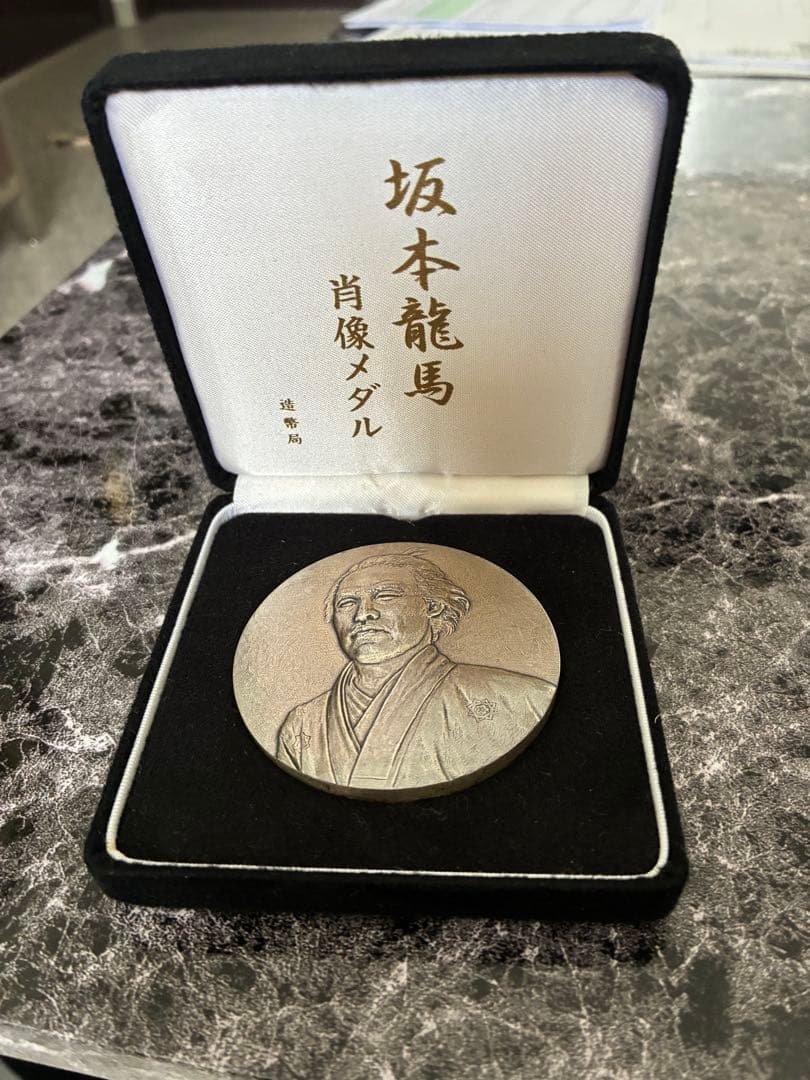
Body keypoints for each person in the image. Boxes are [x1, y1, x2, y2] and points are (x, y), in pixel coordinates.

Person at [276, 551, 556, 795]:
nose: (362, 614)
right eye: (346, 603)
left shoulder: (520, 698)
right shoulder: (303, 722)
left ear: (432, 607)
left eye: (385, 596)